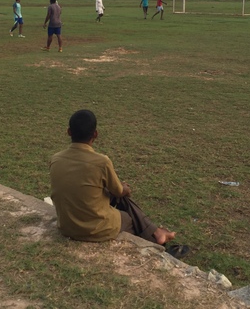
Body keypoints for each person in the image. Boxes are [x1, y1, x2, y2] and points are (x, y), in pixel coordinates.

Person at [49, 110, 189, 257]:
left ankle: (157, 232)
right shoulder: (101, 162)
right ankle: (156, 244)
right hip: (92, 230)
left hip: (66, 226)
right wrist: (125, 188)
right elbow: (119, 192)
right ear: (95, 134)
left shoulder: (56, 159)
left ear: (69, 132)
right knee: (128, 218)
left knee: (115, 196)